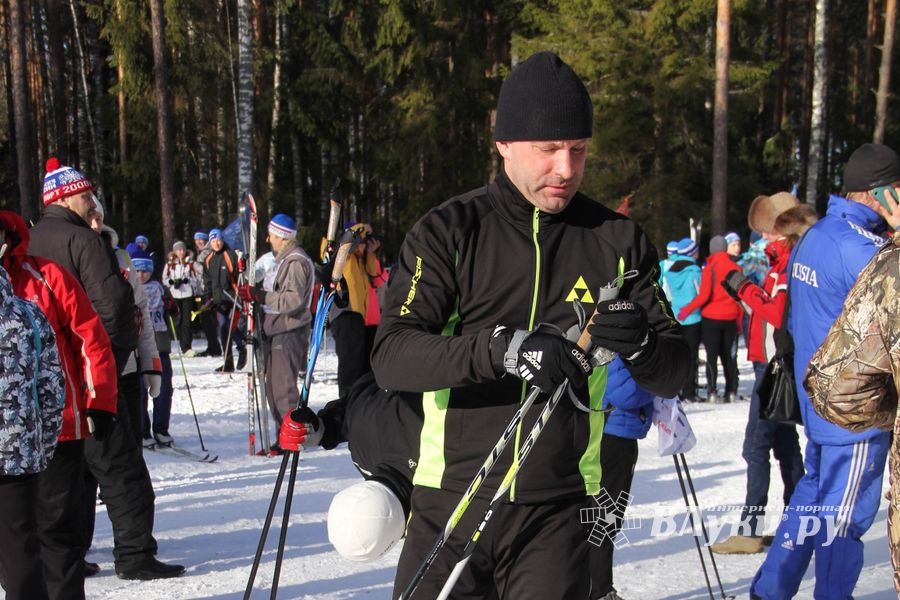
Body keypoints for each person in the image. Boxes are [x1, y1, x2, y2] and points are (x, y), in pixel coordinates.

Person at [288, 51, 689, 599]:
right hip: (450, 500)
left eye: (578, 150)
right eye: (548, 150)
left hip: (560, 505)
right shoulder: (450, 231)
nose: (566, 169)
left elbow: (673, 372)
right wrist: (504, 350)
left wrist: (641, 343)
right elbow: (395, 355)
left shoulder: (616, 241)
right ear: (503, 145)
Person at [750, 143, 898, 600]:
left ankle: (771, 589)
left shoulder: (818, 235)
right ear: (878, 194)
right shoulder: (866, 252)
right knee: (844, 520)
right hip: (855, 411)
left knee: (811, 499)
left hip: (819, 402)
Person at [29, 158, 183, 580]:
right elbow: (114, 310)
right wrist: (112, 364)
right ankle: (134, 555)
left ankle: (69, 556)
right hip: (93, 374)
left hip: (49, 379)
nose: (91, 202)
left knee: (71, 473)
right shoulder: (84, 241)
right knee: (121, 467)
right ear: (64, 198)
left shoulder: (30, 240)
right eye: (85, 195)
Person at [0, 210, 119, 595]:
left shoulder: (45, 277)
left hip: (55, 431)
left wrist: (99, 400)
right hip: (26, 441)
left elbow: (90, 337)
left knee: (56, 534)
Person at [805, 190, 900, 595]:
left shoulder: (832, 240)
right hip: (841, 414)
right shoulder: (854, 243)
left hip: (844, 401)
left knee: (834, 513)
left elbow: (835, 384)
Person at [711, 194, 811, 555]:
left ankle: (752, 531)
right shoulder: (780, 261)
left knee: (755, 447)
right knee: (785, 447)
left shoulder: (790, 263)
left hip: (775, 367)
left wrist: (743, 288)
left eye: (770, 230)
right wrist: (743, 291)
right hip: (770, 364)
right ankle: (799, 526)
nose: (765, 236)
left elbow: (777, 313)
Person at [0, 263, 64, 600]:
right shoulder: (28, 316)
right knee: (19, 551)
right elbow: (52, 389)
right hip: (16, 453)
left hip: (17, 455)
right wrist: (43, 444)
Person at [238, 214, 315, 447]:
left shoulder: (296, 262)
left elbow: (293, 300)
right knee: (273, 389)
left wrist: (261, 296)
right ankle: (284, 435)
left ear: (282, 236)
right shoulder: (284, 260)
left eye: (271, 235)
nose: (268, 239)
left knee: (283, 389)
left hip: (290, 329)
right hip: (277, 328)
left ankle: (292, 438)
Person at [591, 358, 655, 600]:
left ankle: (597, 587)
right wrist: (659, 382)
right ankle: (599, 589)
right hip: (610, 433)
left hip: (613, 431)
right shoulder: (614, 341)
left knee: (605, 515)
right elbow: (625, 392)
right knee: (604, 516)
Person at [678, 234, 742, 403]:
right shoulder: (736, 268)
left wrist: (687, 310)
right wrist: (740, 319)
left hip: (711, 318)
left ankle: (712, 390)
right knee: (728, 356)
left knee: (711, 356)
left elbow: (704, 295)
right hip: (730, 317)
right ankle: (731, 390)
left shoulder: (709, 268)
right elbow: (739, 297)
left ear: (713, 249)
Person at [321, 222, 382, 399]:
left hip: (359, 316)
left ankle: (358, 401)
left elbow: (374, 273)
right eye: (360, 242)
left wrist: (370, 253)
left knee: (360, 363)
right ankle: (346, 401)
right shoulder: (343, 255)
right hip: (344, 312)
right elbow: (339, 245)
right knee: (350, 364)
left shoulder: (358, 261)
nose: (361, 247)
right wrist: (363, 228)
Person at [131, 248, 175, 446]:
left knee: (164, 390)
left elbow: (174, 316)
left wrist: (172, 308)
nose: (142, 275)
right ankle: (142, 431)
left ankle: (161, 428)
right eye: (138, 271)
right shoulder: (129, 288)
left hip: (161, 347)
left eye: (145, 270)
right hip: (139, 349)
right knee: (139, 392)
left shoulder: (160, 288)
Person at [663, 237, 702, 402]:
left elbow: (668, 294)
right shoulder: (694, 270)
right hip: (692, 317)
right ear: (693, 253)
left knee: (678, 356)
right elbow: (700, 292)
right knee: (692, 356)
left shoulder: (669, 271)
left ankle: (676, 389)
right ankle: (689, 392)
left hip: (676, 315)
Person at [203, 228, 245, 372]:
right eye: (214, 241)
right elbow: (207, 281)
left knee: (230, 327)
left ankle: (242, 348)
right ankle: (228, 363)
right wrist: (208, 297)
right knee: (223, 331)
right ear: (210, 242)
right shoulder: (208, 260)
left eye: (219, 240)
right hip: (218, 301)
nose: (217, 243)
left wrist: (241, 266)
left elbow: (239, 274)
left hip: (232, 298)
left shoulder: (229, 255)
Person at [163, 240, 198, 355]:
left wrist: (188, 281)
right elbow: (164, 280)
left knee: (186, 322)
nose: (181, 252)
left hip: (187, 294)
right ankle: (169, 347)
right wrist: (172, 282)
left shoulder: (190, 263)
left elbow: (196, 279)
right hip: (174, 295)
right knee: (174, 321)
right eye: (179, 250)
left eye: (183, 249)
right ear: (175, 251)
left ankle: (186, 347)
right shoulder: (169, 264)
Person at [192, 230, 222, 357]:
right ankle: (212, 346)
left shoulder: (209, 251)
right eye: (197, 240)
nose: (199, 242)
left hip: (209, 290)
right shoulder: (204, 252)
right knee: (206, 319)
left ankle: (214, 348)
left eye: (202, 240)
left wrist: (195, 265)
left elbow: (208, 270)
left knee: (208, 318)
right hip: (204, 289)